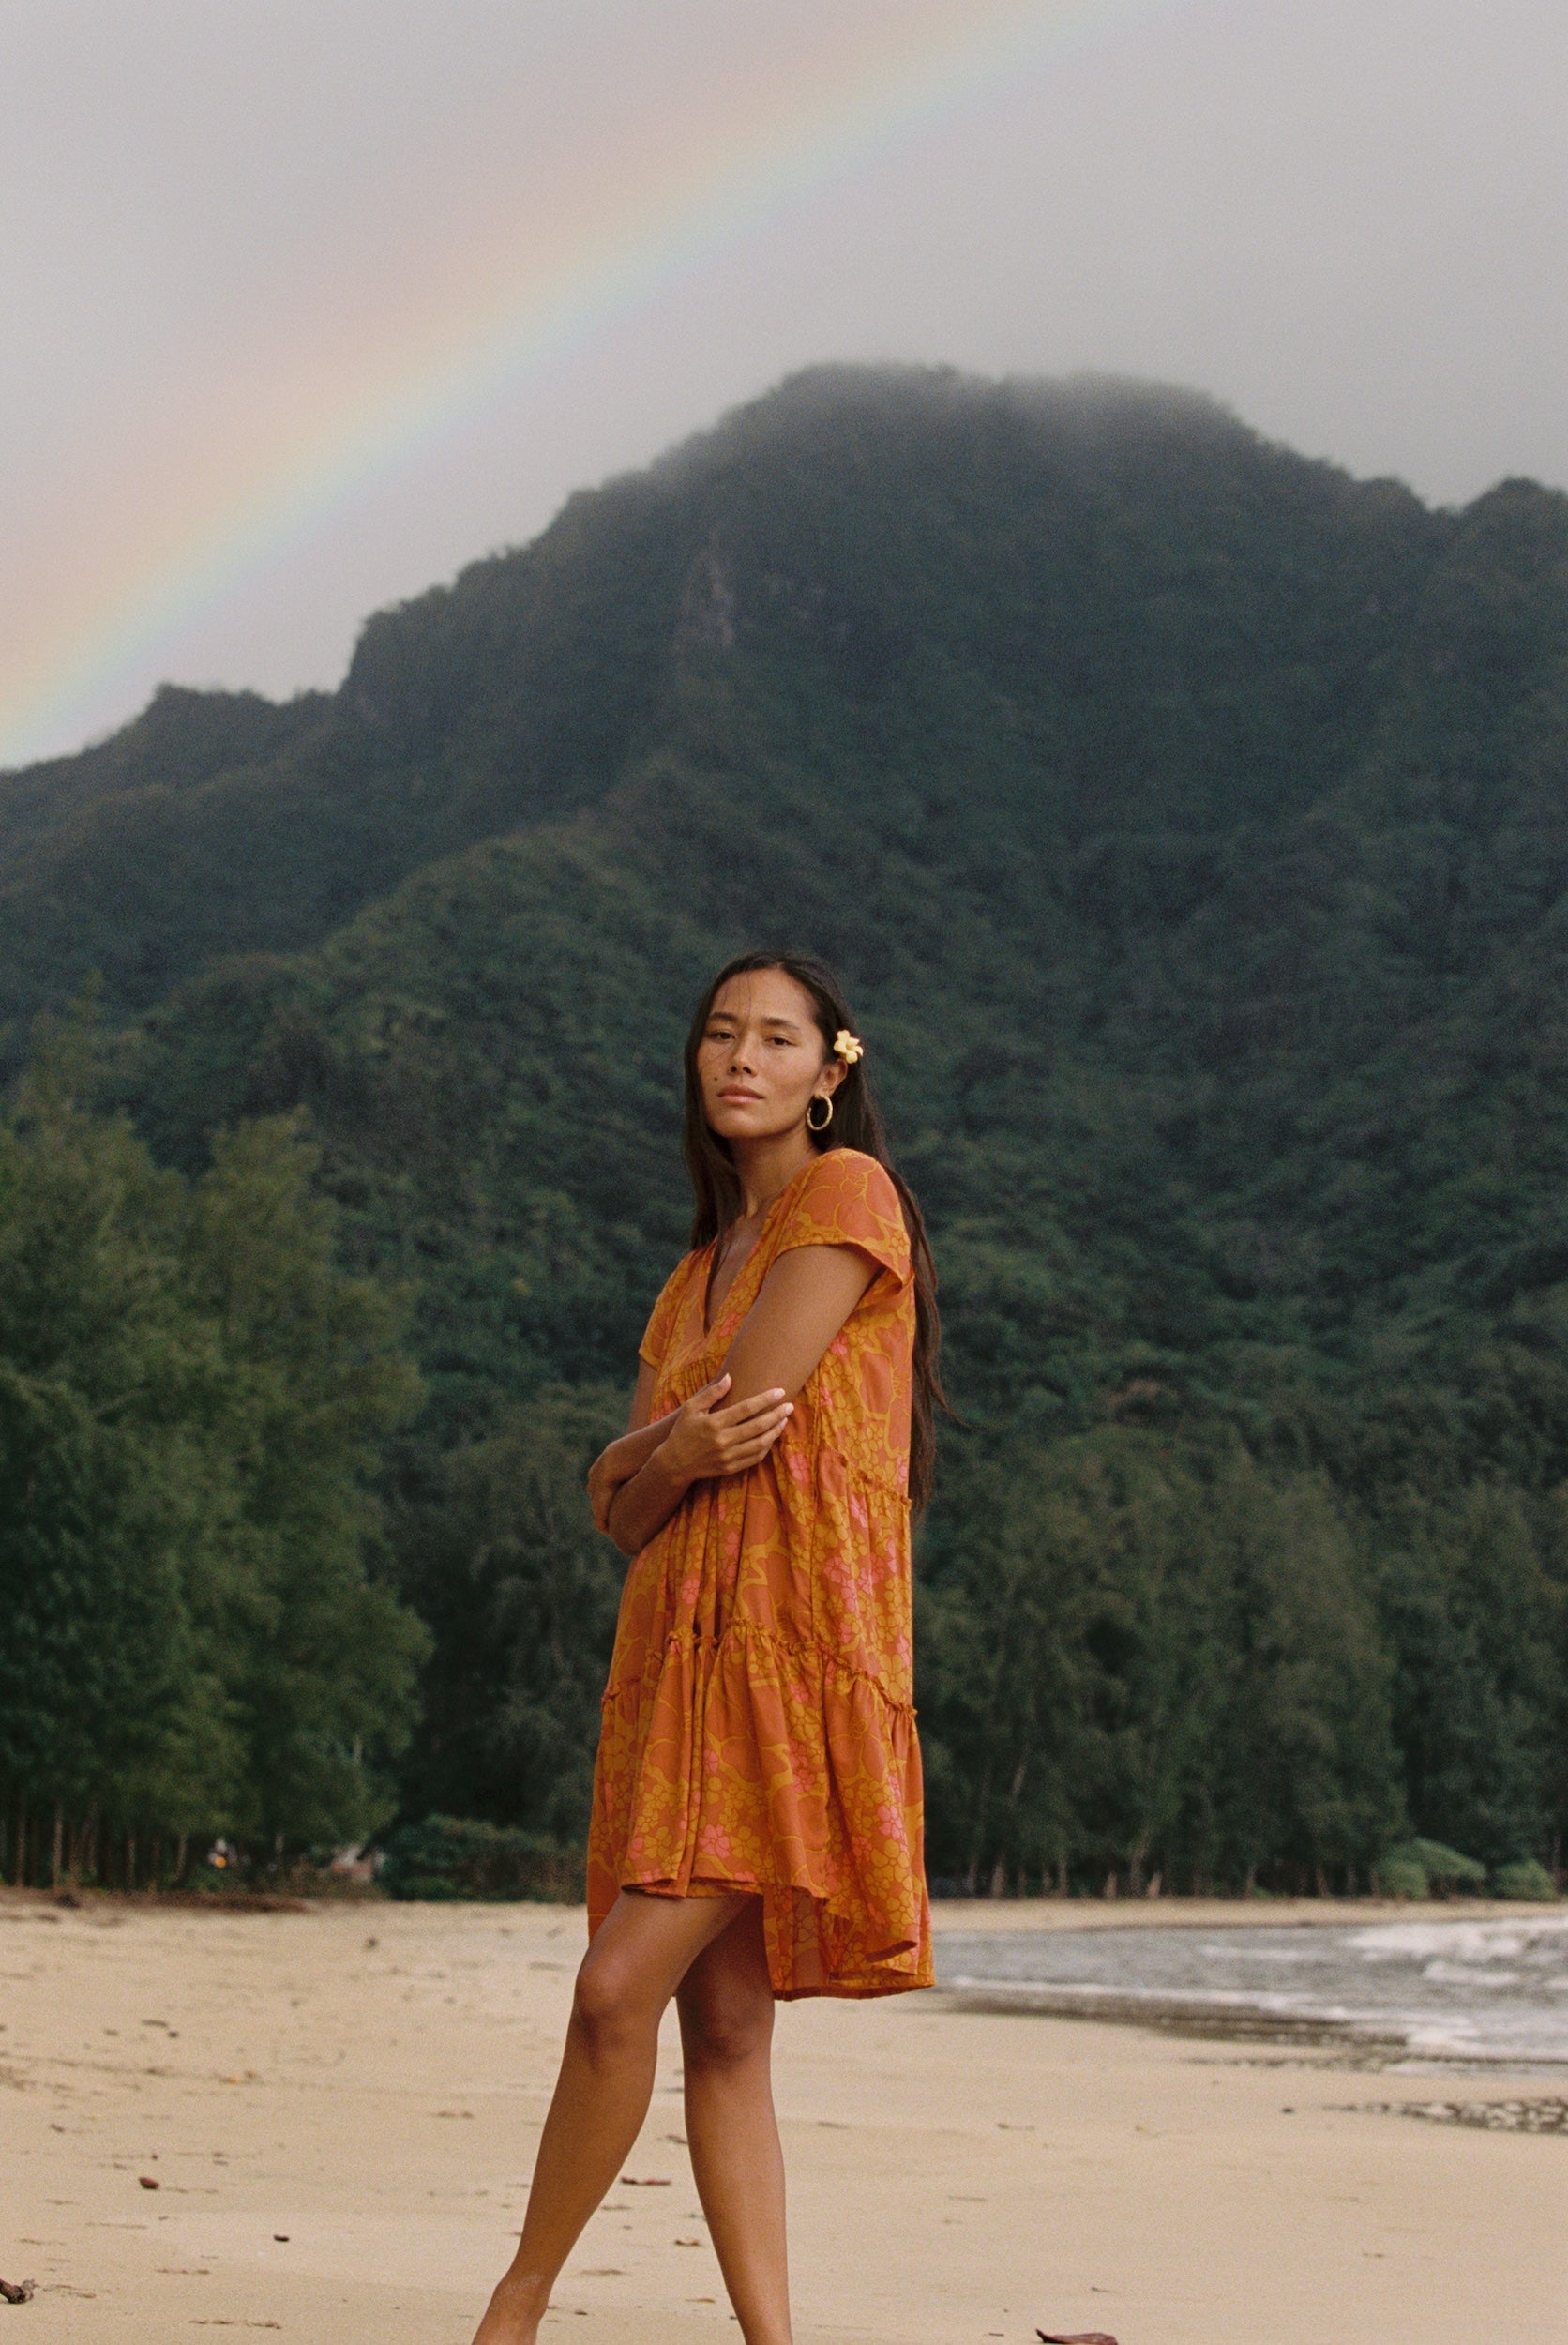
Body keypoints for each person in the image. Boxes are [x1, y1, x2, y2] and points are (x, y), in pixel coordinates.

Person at [472, 950, 944, 2345]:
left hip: (787, 1661)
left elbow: (746, 1413)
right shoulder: (692, 1276)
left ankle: (511, 2315)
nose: (741, 1055)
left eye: (778, 1037)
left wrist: (648, 1456)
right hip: (678, 1661)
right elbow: (625, 1506)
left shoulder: (846, 1199)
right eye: (721, 1034)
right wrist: (657, 1453)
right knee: (723, 2034)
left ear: (829, 1071)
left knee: (614, 1988)